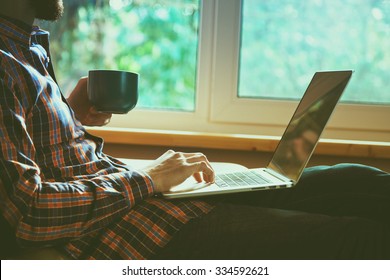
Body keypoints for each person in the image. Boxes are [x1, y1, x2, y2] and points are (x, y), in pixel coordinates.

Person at [0, 0, 389, 260]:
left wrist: (70, 114)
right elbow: (31, 212)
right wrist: (147, 179)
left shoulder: (25, 45)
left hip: (138, 202)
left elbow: (37, 151)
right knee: (358, 238)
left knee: (356, 180)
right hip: (127, 232)